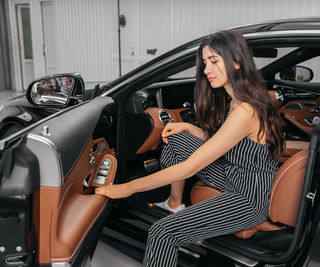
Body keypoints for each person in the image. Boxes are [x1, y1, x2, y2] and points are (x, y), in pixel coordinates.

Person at [95, 29, 283, 267]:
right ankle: (175, 205)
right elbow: (229, 140)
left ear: (236, 61)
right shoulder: (239, 99)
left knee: (162, 234)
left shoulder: (246, 110)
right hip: (235, 174)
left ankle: (172, 217)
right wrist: (189, 127)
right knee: (176, 139)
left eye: (214, 61)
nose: (206, 70)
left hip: (247, 198)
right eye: (205, 62)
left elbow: (188, 168)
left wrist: (127, 188)